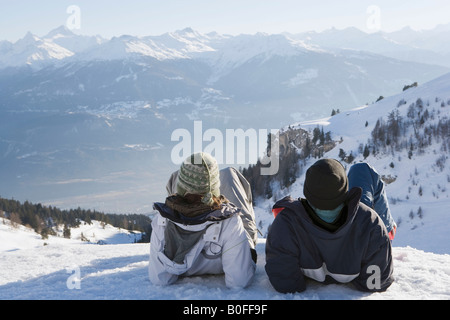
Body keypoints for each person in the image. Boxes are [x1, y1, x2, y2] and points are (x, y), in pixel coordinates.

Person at [265, 159, 395, 293]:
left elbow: (285, 283)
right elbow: (376, 283)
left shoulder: (286, 224)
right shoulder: (371, 224)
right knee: (362, 169)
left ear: (307, 193)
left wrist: (285, 219)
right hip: (359, 226)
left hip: (300, 230)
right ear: (346, 193)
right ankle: (389, 230)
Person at [148, 152, 257, 288]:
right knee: (230, 174)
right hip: (224, 227)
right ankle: (205, 184)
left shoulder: (162, 220)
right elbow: (239, 281)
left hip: (174, 224)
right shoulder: (230, 221)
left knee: (175, 176)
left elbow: (159, 279)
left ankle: (184, 195)